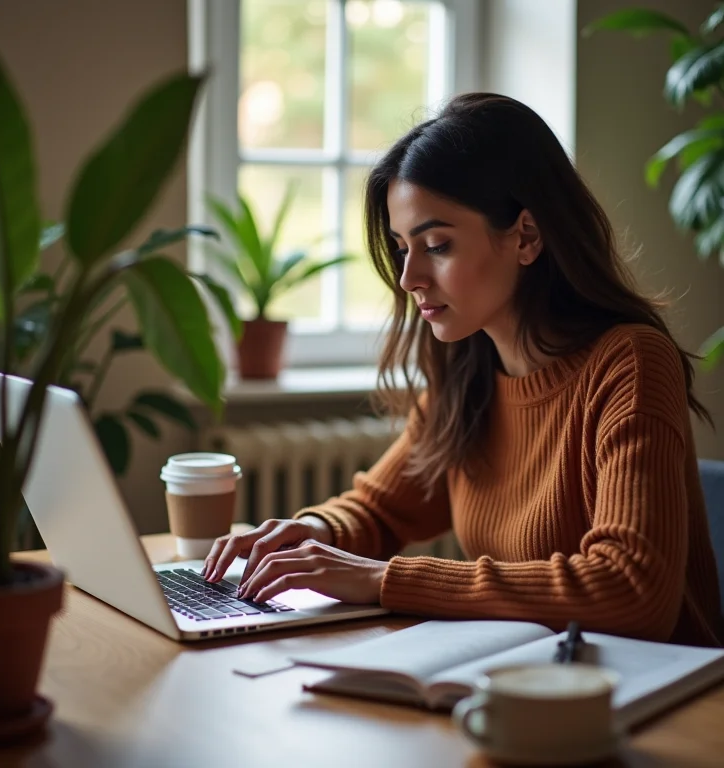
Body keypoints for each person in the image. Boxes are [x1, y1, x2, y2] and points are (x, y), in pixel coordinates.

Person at [202, 93, 722, 647]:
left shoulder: (629, 364)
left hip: (665, 708)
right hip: (531, 686)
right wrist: (311, 535)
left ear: (525, 236)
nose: (408, 278)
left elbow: (632, 590)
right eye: (403, 248)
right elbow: (379, 509)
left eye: (437, 245)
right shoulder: (469, 374)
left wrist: (385, 580)